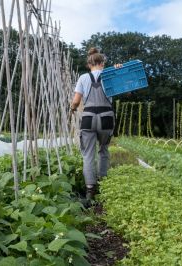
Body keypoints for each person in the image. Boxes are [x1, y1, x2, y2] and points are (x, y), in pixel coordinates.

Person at [70, 47, 121, 202]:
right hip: (106, 117)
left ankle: (90, 190)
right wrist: (119, 70)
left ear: (89, 64)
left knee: (88, 154)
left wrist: (72, 108)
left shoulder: (83, 78)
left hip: (89, 118)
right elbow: (127, 85)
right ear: (102, 63)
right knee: (104, 150)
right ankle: (103, 183)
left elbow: (76, 101)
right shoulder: (110, 75)